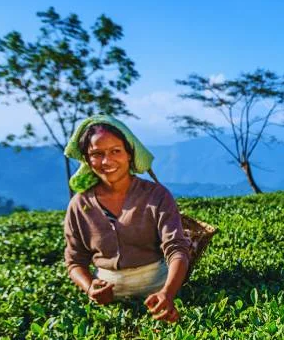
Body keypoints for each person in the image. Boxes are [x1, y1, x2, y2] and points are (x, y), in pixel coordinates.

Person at [63, 115, 190, 322]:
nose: (107, 161)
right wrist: (90, 288)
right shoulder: (79, 205)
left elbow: (176, 249)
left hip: (158, 287)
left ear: (129, 154)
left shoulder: (156, 195)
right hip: (108, 301)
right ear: (87, 159)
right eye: (97, 154)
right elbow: (75, 260)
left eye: (115, 151)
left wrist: (167, 293)